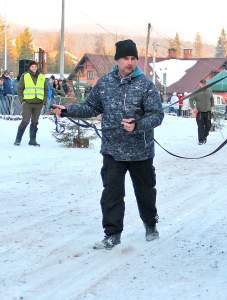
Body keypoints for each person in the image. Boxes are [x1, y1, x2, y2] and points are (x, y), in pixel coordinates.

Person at [52, 39, 164, 250]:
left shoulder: (146, 85)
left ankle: (150, 224)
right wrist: (66, 111)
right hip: (112, 149)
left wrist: (138, 125)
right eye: (125, 58)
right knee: (111, 194)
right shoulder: (104, 83)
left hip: (141, 151)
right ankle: (112, 234)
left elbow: (157, 116)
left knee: (146, 192)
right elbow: (90, 108)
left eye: (133, 58)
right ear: (117, 60)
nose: (129, 62)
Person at [13, 61, 48, 146]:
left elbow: (46, 90)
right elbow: (20, 89)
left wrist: (44, 101)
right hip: (27, 103)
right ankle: (18, 139)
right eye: (32, 67)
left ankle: (32, 140)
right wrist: (22, 101)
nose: (34, 68)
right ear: (29, 67)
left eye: (35, 67)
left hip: (38, 103)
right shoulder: (25, 76)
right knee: (25, 121)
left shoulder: (41, 77)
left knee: (35, 122)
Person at [190, 79, 214, 145]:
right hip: (199, 112)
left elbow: (212, 98)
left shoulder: (209, 90)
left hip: (208, 111)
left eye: (204, 83)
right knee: (200, 126)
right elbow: (190, 100)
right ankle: (201, 140)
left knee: (208, 126)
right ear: (199, 84)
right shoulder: (196, 91)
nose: (203, 85)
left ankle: (204, 136)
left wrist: (212, 106)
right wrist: (193, 108)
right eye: (202, 84)